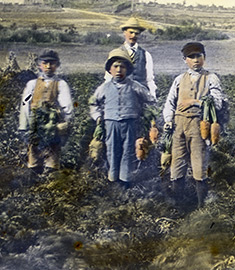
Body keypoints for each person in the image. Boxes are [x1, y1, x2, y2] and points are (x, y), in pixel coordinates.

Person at [162, 42, 227, 207]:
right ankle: (178, 204)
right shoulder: (179, 79)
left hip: (199, 125)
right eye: (191, 57)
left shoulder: (211, 78)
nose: (195, 60)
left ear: (204, 58)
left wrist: (195, 102)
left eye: (199, 56)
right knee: (177, 163)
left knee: (199, 164)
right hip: (178, 125)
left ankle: (200, 206)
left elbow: (217, 103)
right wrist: (168, 120)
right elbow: (170, 102)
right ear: (185, 60)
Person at [89, 48, 155, 187]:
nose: (119, 70)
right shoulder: (104, 87)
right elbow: (93, 102)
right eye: (116, 66)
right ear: (110, 70)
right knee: (112, 149)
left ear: (127, 69)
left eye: (122, 66)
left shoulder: (134, 86)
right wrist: (98, 117)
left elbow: (149, 99)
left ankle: (126, 181)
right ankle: (113, 180)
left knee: (128, 150)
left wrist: (144, 112)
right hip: (111, 122)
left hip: (130, 122)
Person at [19, 50, 73, 174]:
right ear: (39, 65)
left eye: (52, 63)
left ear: (57, 65)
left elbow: (67, 106)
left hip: (52, 124)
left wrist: (65, 124)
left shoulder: (61, 84)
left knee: (52, 154)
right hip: (35, 125)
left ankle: (50, 179)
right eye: (45, 63)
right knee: (34, 154)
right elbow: (25, 104)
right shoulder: (32, 84)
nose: (48, 67)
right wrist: (24, 127)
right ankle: (34, 177)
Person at [105, 17, 157, 100]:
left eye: (136, 33)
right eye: (131, 32)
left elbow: (149, 79)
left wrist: (152, 96)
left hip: (140, 98)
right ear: (124, 32)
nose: (133, 35)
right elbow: (108, 78)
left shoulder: (146, 55)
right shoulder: (115, 54)